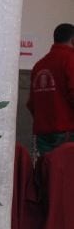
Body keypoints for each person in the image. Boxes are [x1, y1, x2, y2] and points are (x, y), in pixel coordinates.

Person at [26, 23, 74, 155]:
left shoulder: (39, 65)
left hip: (42, 134)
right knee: (66, 174)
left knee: (46, 173)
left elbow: (31, 103)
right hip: (67, 132)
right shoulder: (71, 59)